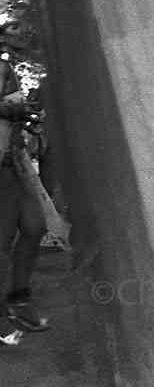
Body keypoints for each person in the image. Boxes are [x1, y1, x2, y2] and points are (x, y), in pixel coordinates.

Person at [0, 50, 52, 332]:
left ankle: (18, 299)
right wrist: (14, 110)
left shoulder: (4, 67)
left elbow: (13, 111)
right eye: (11, 28)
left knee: (35, 226)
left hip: (14, 161)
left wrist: (27, 120)